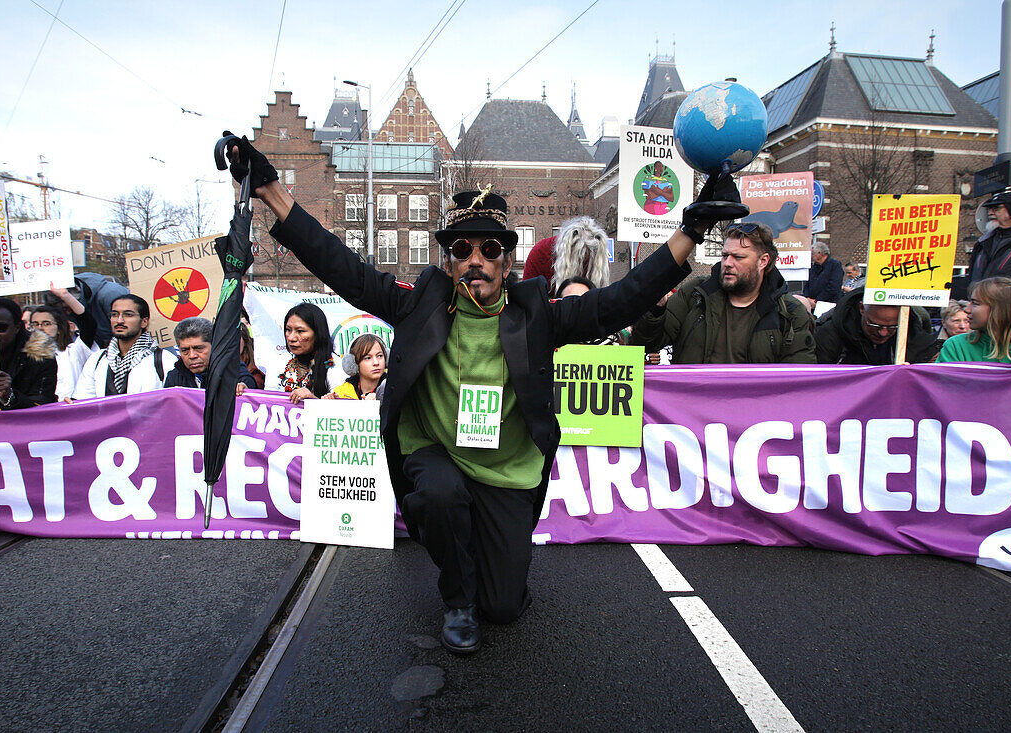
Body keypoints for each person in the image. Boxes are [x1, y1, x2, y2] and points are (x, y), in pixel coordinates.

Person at [225, 133, 716, 654]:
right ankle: (456, 598)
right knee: (439, 497)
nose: (475, 259)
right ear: (450, 262)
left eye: (489, 249)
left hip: (506, 468)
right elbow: (338, 265)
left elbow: (621, 300)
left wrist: (690, 232)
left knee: (504, 609)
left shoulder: (537, 317)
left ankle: (489, 578)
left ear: (506, 262)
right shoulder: (420, 306)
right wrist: (271, 189)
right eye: (462, 249)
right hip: (436, 452)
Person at [630, 222, 816, 364]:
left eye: (738, 257)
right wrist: (655, 309)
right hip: (692, 409)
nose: (727, 263)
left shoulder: (790, 313)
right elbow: (645, 345)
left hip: (754, 412)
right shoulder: (695, 294)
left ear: (763, 261)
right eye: (725, 255)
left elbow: (799, 381)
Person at [71, 294, 176, 399]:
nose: (119, 320)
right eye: (114, 315)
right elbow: (84, 401)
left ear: (144, 322)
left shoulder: (164, 360)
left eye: (128, 315)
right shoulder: (96, 360)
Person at [814, 287, 940, 364]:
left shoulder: (912, 332)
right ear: (862, 308)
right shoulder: (830, 334)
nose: (883, 333)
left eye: (892, 327)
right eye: (875, 325)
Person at [937, 277, 1011, 366]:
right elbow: (941, 383)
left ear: (1000, 310)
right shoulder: (957, 346)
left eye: (975, 303)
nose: (967, 309)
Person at [522, 216, 611, 297]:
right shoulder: (541, 252)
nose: (582, 260)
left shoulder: (598, 255)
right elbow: (527, 297)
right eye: (580, 254)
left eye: (586, 255)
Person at [164, 316, 257, 393]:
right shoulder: (174, 378)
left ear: (214, 346)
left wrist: (245, 390)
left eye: (199, 348)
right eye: (185, 350)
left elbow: (249, 387)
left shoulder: (235, 371)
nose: (192, 355)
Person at [968, 191, 1011, 287]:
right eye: (990, 209)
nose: (990, 213)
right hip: (981, 301)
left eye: (996, 209)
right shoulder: (982, 243)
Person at [278, 302, 339, 403]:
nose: (291, 338)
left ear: (318, 333)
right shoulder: (278, 363)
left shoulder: (335, 368)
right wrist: (245, 392)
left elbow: (343, 414)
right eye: (288, 330)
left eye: (300, 331)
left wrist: (313, 401)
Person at [30, 305, 94, 400]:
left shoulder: (73, 352)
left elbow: (88, 325)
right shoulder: (25, 358)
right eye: (35, 324)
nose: (40, 328)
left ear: (59, 328)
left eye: (46, 324)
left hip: (69, 410)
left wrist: (65, 295)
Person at [556, 276, 629, 345]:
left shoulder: (614, 341)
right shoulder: (547, 339)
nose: (577, 308)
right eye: (570, 302)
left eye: (583, 302)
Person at [326, 333, 387, 400]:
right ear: (354, 363)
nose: (376, 362)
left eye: (380, 356)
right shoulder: (341, 392)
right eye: (368, 358)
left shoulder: (395, 390)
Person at [802, 241, 842, 307]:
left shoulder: (835, 265)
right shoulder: (813, 267)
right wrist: (807, 298)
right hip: (811, 304)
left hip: (828, 304)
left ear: (819, 253)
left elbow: (833, 287)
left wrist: (817, 300)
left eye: (813, 254)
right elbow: (808, 283)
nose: (811, 257)